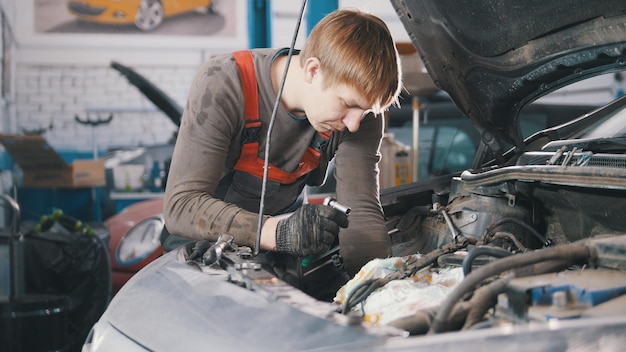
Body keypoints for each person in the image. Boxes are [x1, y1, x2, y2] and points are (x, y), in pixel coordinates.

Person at [161, 8, 402, 282]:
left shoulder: (360, 114)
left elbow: (360, 214)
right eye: (348, 104)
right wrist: (278, 232)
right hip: (197, 260)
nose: (355, 123)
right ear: (313, 70)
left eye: (367, 111)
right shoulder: (224, 83)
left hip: (278, 260)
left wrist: (379, 289)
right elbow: (181, 206)